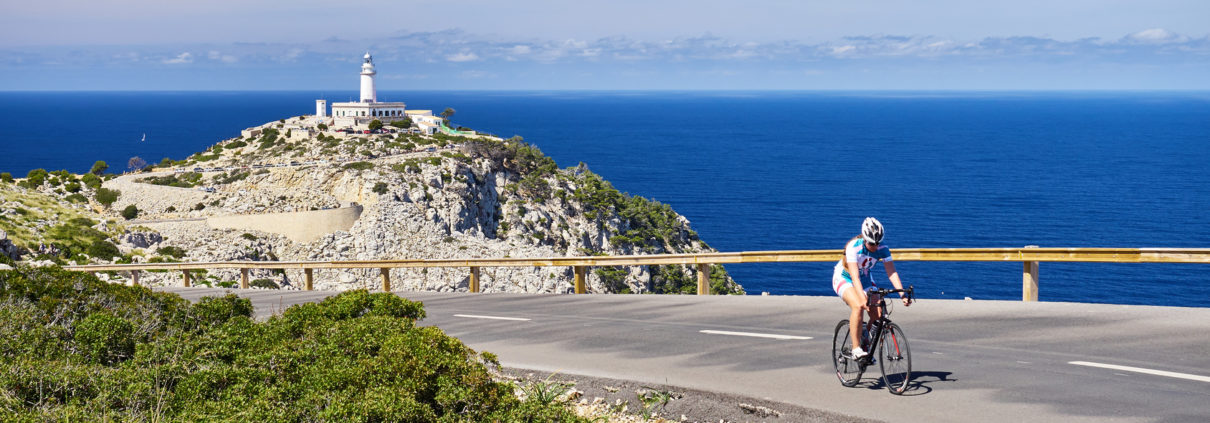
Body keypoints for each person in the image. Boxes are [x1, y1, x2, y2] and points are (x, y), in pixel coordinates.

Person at [832, 217, 912, 359]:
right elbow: (855, 277)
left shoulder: (883, 249)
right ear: (864, 239)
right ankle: (856, 348)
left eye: (877, 243)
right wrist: (862, 297)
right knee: (858, 306)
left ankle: (865, 341)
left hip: (865, 278)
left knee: (878, 315)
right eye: (871, 243)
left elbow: (892, 272)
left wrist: (902, 294)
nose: (875, 246)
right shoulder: (853, 247)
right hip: (845, 277)